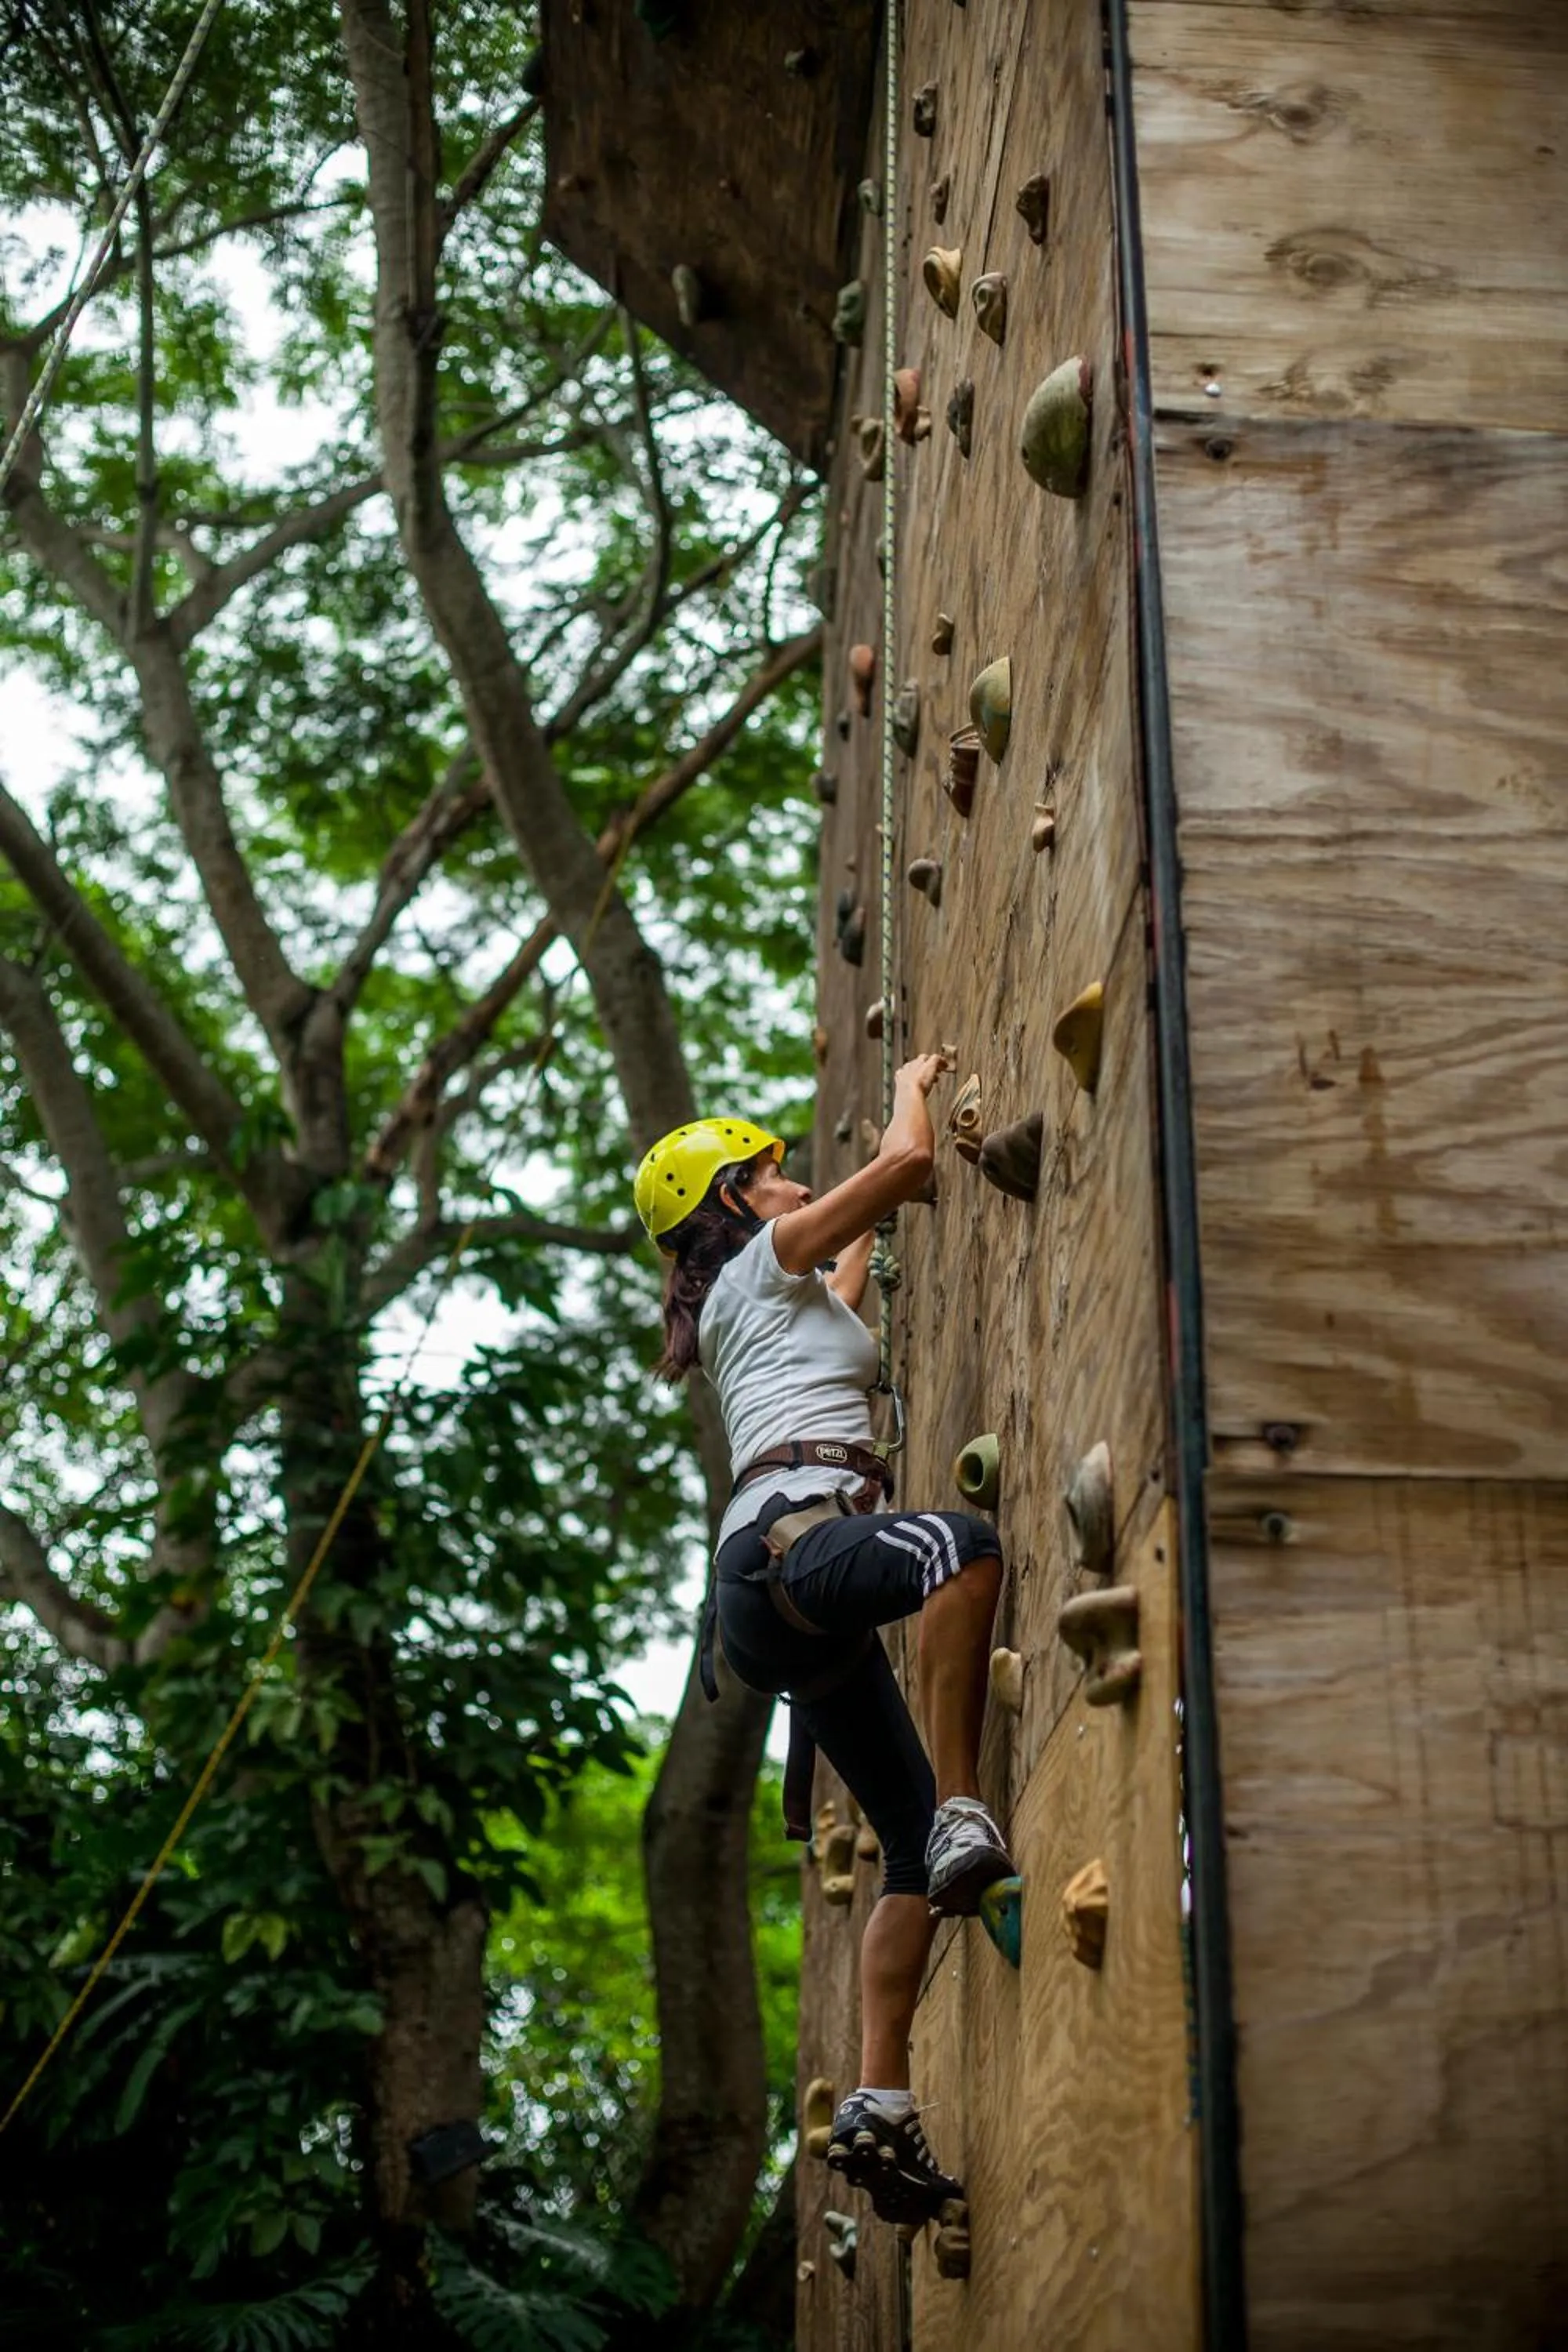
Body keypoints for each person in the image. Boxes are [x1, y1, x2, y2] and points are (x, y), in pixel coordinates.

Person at [633, 1056, 1016, 2227]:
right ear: (734, 1204)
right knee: (961, 1548)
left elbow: (845, 1289)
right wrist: (911, 1085)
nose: (794, 1183)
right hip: (788, 1553)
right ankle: (966, 1803)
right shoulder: (756, 1268)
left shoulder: (758, 1301)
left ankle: (879, 2101)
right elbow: (902, 1168)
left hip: (774, 1601)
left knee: (902, 1857)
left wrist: (864, 1247)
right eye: (772, 1172)